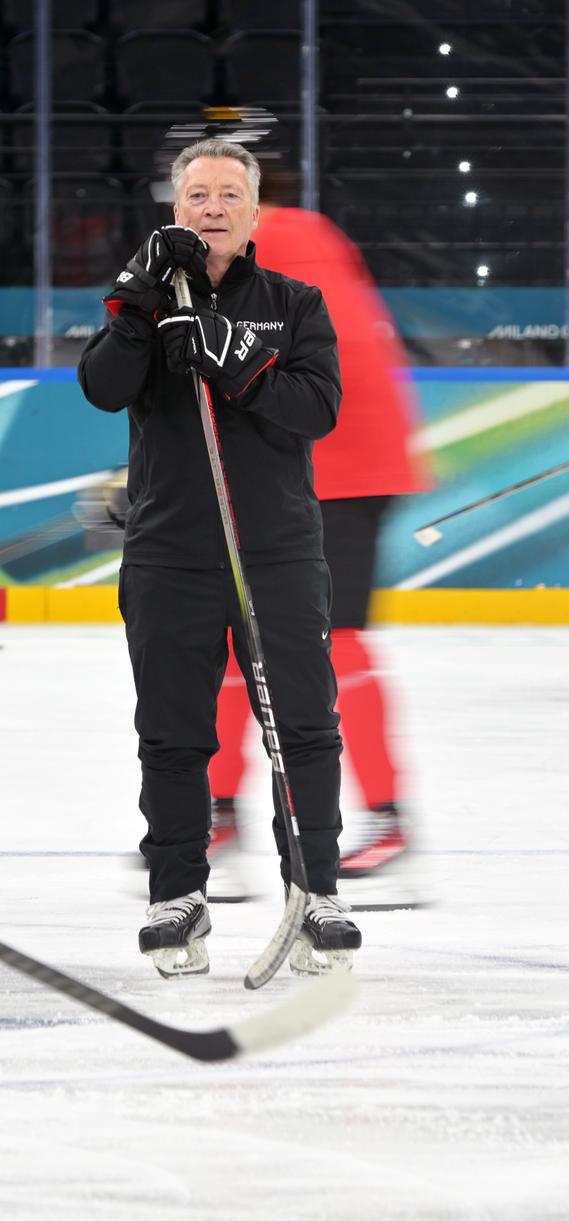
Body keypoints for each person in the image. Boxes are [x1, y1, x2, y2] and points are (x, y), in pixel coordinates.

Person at [78, 138, 361, 978]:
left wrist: (232, 357)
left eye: (228, 194)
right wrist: (135, 300)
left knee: (305, 728)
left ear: (253, 213)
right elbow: (102, 386)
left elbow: (318, 410)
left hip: (273, 551)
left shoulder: (294, 301)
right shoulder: (146, 301)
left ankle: (315, 892)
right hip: (170, 554)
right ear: (176, 209)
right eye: (196, 193)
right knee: (171, 735)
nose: (212, 206)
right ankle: (179, 896)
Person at [206, 165, 427, 901]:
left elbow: (251, 369)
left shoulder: (267, 247)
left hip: (333, 471)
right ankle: (219, 814)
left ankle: (387, 823)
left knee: (331, 641)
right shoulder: (310, 234)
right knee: (252, 636)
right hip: (334, 468)